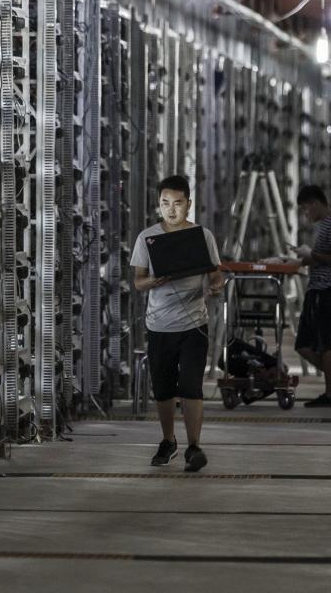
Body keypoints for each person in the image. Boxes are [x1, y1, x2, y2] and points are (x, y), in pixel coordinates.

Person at [130, 175, 224, 471]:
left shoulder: (202, 236)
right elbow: (138, 282)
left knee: (191, 386)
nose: (171, 210)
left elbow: (216, 273)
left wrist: (215, 286)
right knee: (163, 389)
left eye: (178, 203)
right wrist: (155, 281)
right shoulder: (148, 237)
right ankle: (168, 440)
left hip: (194, 323)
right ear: (159, 204)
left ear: (189, 204)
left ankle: (194, 446)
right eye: (165, 203)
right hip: (159, 325)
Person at [292, 185, 331, 408]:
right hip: (317, 288)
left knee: (325, 345)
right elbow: (323, 257)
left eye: (306, 209)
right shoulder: (327, 224)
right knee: (303, 345)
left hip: (327, 291)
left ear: (315, 203)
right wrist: (302, 259)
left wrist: (311, 254)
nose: (305, 214)